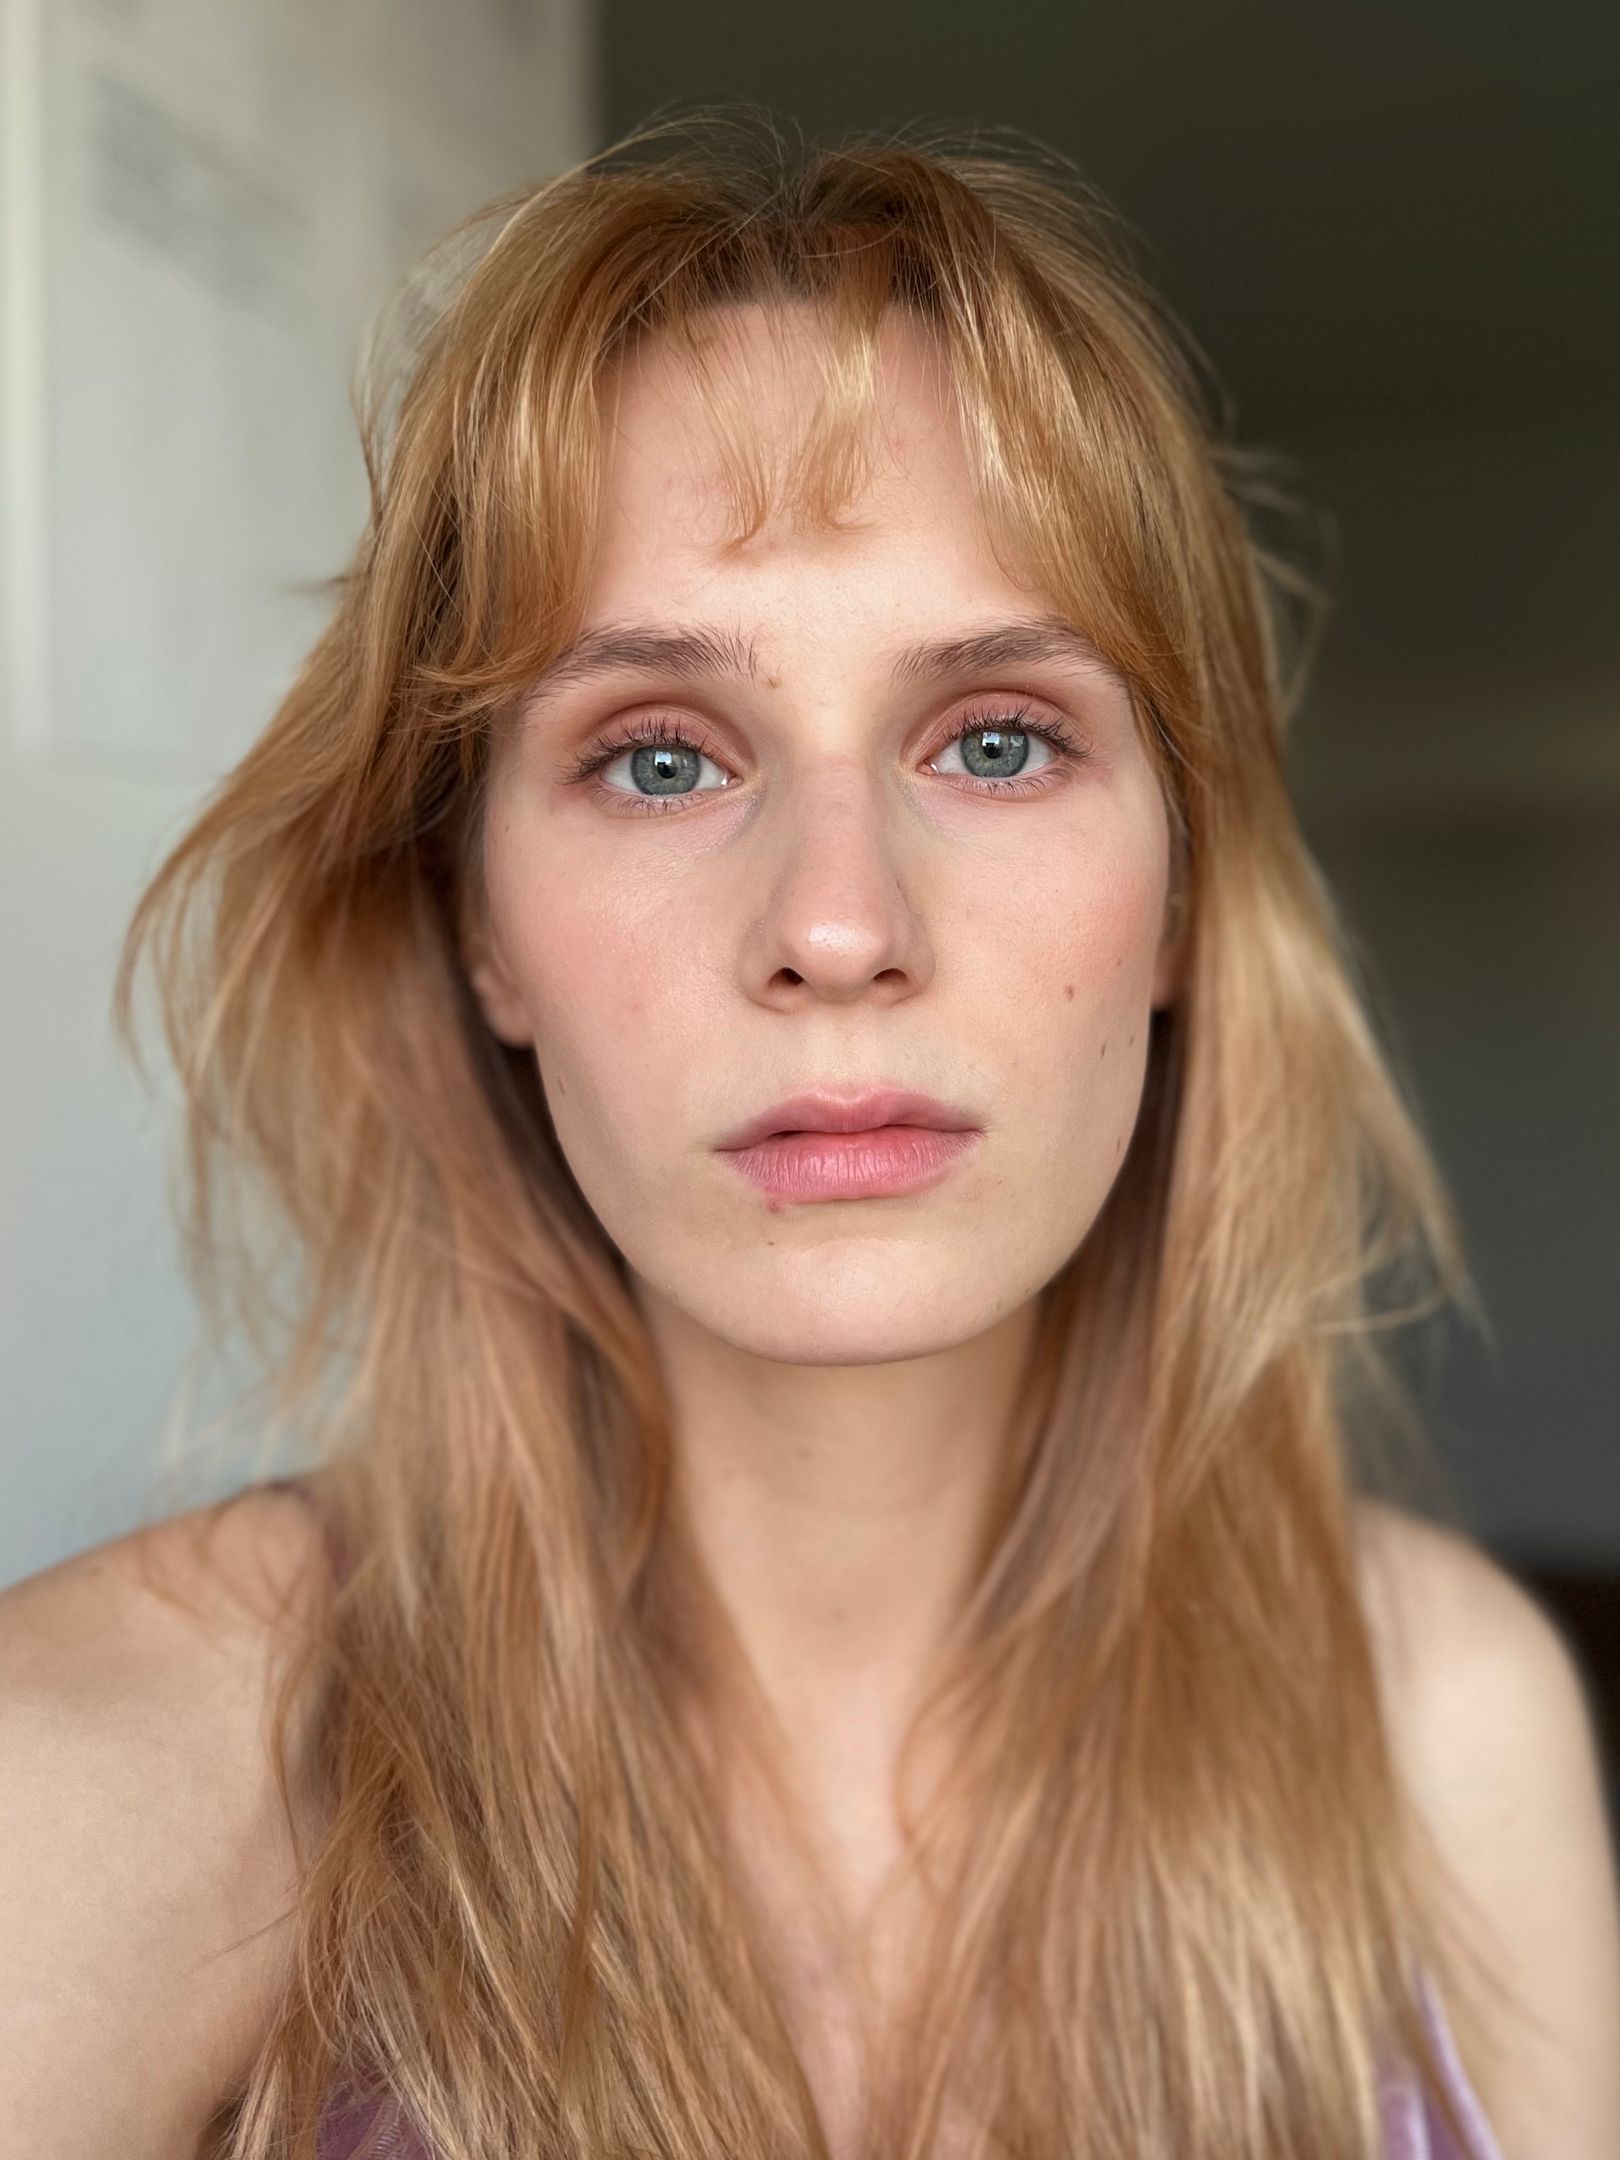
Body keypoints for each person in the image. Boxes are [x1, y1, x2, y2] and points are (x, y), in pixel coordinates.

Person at [2, 109, 1617, 2160]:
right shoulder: (111, 1776)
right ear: (479, 928)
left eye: (1000, 739)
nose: (839, 926)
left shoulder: (1440, 1724)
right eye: (661, 759)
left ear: (1182, 901)